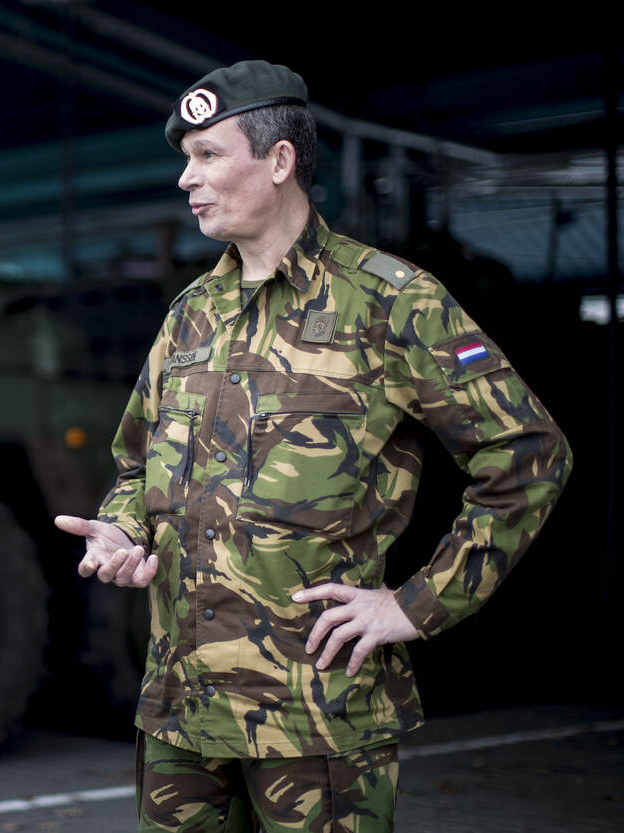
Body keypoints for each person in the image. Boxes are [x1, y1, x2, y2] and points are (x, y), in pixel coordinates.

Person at [55, 61, 571, 832]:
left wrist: (416, 604)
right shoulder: (190, 314)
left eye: (207, 155)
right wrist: (124, 528)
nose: (186, 179)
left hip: (316, 722)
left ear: (280, 160)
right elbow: (136, 461)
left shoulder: (391, 301)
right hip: (179, 716)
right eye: (185, 159)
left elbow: (528, 453)